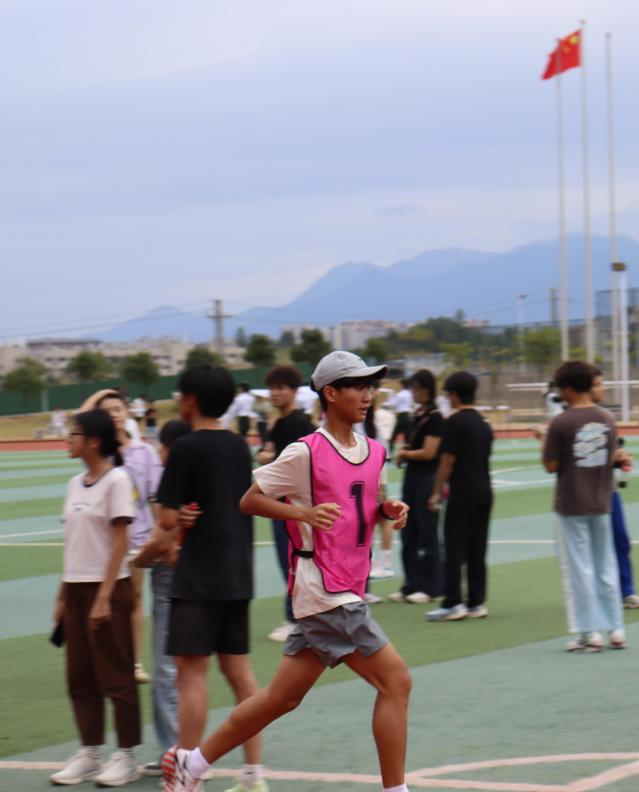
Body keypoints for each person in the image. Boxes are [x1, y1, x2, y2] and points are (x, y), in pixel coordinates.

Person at [161, 350, 412, 792]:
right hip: (326, 591)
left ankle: (191, 764)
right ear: (330, 393)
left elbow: (362, 506)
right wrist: (303, 514)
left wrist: (386, 509)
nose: (367, 395)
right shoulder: (305, 452)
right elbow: (249, 500)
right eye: (357, 386)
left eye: (370, 386)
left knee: (282, 697)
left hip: (347, 583)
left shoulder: (375, 451)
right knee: (396, 682)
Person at [148, 365, 266, 792]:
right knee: (240, 675)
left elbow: (166, 518)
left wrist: (178, 514)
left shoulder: (184, 448)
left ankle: (187, 774)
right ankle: (254, 774)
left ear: (191, 400)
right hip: (237, 572)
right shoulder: (239, 446)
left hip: (197, 574)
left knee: (191, 675)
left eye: (180, 394)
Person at [50, 409, 140, 787]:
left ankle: (127, 756)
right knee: (80, 675)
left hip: (109, 588)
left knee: (116, 674)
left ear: (94, 441)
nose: (68, 439)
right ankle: (90, 752)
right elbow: (73, 543)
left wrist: (104, 597)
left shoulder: (117, 480)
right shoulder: (75, 483)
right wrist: (62, 595)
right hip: (76, 587)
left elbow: (120, 542)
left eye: (75, 433)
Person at [542, 362, 626, 652]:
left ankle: (590, 631)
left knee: (579, 569)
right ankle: (616, 628)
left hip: (571, 502)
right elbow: (611, 457)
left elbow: (550, 465)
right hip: (601, 500)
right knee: (606, 564)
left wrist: (544, 441)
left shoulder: (561, 422)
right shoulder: (607, 418)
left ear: (567, 388)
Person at [134, 420, 191, 777]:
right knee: (181, 671)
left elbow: (163, 537)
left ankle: (179, 755)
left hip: (173, 580)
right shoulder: (203, 473)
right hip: (199, 578)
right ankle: (179, 752)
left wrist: (135, 561)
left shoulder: (176, 478)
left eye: (161, 444)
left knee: (169, 671)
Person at [94, 390, 163, 684]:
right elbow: (79, 420)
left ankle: (132, 663)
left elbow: (155, 496)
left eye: (117, 408)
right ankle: (106, 662)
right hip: (103, 541)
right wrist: (101, 394)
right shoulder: (95, 453)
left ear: (127, 413)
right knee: (104, 599)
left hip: (137, 538)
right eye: (106, 410)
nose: (113, 415)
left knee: (133, 599)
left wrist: (158, 534)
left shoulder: (144, 452)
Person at [427, 371, 493, 622]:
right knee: (477, 548)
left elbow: (448, 460)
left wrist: (436, 492)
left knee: (454, 547)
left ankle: (453, 602)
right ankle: (477, 601)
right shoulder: (484, 422)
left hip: (462, 493)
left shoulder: (455, 422)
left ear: (454, 395)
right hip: (484, 492)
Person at [256, 365, 315, 642]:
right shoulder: (280, 424)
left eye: (280, 388)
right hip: (283, 502)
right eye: (272, 388)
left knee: (293, 561)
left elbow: (294, 463)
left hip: (293, 504)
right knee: (290, 560)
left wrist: (269, 459)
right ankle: (301, 617)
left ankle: (297, 620)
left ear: (293, 391)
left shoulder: (298, 424)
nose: (274, 393)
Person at [390, 370, 444, 604]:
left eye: (416, 388)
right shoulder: (417, 415)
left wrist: (405, 454)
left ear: (427, 389)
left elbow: (430, 452)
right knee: (408, 532)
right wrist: (406, 453)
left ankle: (431, 587)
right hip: (412, 477)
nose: (412, 392)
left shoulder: (435, 417)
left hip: (427, 478)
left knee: (427, 533)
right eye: (412, 388)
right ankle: (410, 584)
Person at [590, 368, 639, 609]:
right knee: (590, 546)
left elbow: (609, 453)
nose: (603, 388)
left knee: (620, 539)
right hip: (584, 494)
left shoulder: (606, 417)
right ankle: (594, 593)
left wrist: (619, 458)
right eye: (598, 385)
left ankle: (626, 591)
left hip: (609, 491)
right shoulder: (571, 419)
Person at [389, 379, 413, 455]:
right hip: (409, 415)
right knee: (408, 437)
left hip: (401, 416)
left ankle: (390, 453)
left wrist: (391, 394)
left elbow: (393, 404)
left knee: (393, 437)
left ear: (402, 385)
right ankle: (408, 453)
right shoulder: (411, 394)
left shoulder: (400, 394)